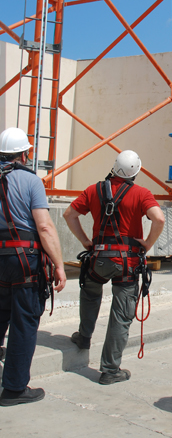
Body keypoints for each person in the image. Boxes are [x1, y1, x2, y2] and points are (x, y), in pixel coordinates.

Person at [63, 150, 165, 385]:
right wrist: (147, 244)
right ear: (135, 172)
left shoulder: (93, 190)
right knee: (121, 314)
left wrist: (86, 242)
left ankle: (84, 337)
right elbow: (158, 219)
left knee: (90, 293)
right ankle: (110, 370)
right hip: (126, 263)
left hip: (97, 259)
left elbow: (70, 214)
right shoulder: (141, 193)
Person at [0, 127, 66, 406]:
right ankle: (14, 388)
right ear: (24, 154)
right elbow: (43, 225)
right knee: (25, 320)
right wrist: (60, 266)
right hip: (22, 259)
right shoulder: (30, 181)